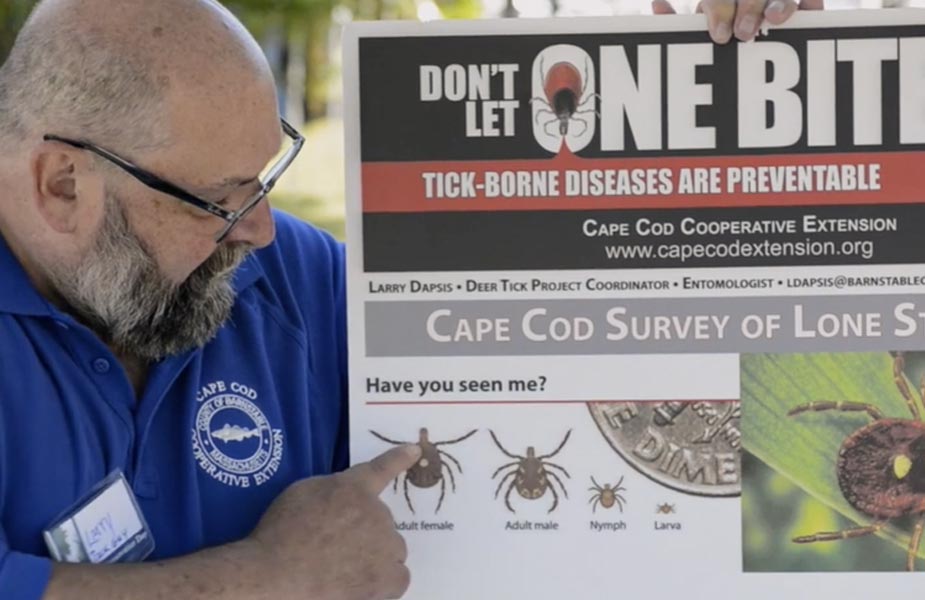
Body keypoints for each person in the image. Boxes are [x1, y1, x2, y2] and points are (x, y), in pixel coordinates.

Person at [0, 0, 817, 598]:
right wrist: (270, 581)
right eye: (220, 200)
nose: (260, 233)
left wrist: (714, 83)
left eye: (267, 177)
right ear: (63, 185)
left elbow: (558, 327)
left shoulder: (288, 282)